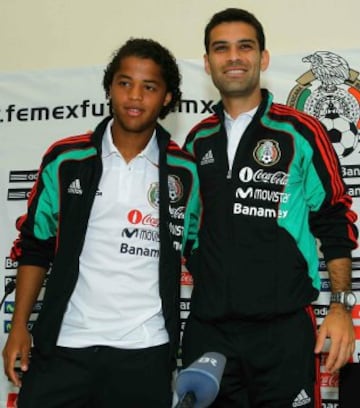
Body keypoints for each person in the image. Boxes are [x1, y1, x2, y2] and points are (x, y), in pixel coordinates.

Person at [2, 38, 200, 408]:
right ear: (109, 87)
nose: (135, 96)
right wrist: (18, 327)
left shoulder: (185, 171)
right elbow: (35, 245)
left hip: (146, 349)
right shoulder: (67, 159)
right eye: (125, 83)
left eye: (149, 87)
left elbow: (201, 253)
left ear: (168, 98)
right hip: (64, 346)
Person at [181, 8, 358, 408]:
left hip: (283, 332)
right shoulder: (196, 142)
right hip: (209, 332)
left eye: (245, 46)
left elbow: (333, 220)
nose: (234, 57)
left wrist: (341, 307)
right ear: (208, 63)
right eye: (221, 48)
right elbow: (188, 230)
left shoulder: (300, 131)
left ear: (263, 58)